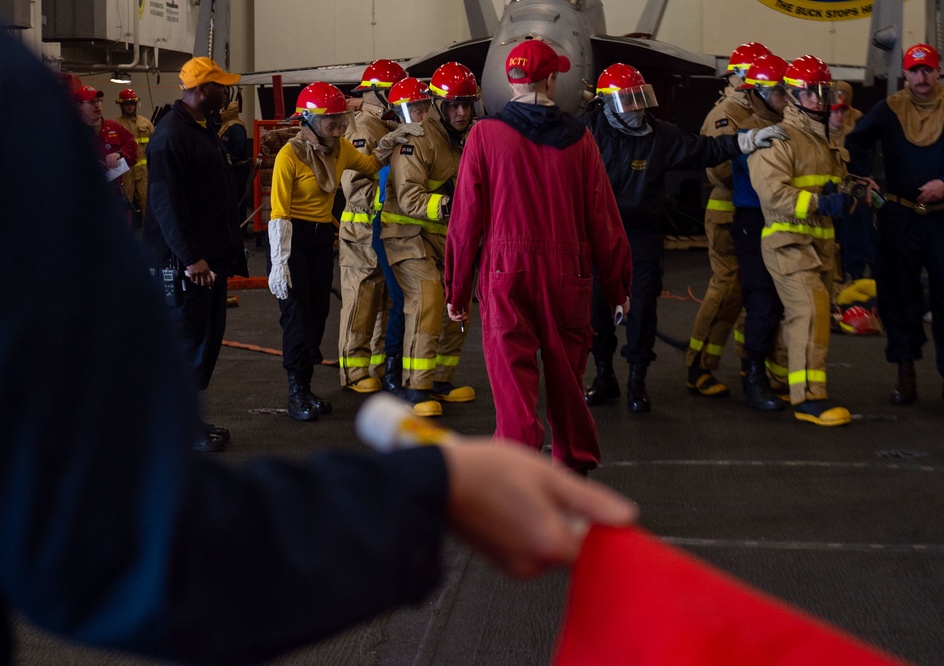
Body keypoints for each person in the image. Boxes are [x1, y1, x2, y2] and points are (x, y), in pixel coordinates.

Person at [0, 32, 637, 663]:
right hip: (449, 255)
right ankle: (544, 455)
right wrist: (430, 488)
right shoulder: (571, 139)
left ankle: (513, 452)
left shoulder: (480, 137)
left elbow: (457, 204)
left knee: (490, 358)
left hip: (483, 264)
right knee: (365, 323)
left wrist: (462, 279)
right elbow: (124, 544)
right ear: (552, 81)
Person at [444, 39, 632, 474]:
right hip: (569, 273)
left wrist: (456, 287)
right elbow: (603, 217)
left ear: (510, 81)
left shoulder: (484, 135)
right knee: (567, 378)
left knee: (512, 380)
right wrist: (617, 286)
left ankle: (516, 471)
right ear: (552, 78)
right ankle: (574, 466)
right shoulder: (581, 138)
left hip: (506, 271)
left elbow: (466, 218)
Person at [580, 62, 786, 413]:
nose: (637, 109)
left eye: (640, 99)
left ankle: (637, 380)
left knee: (643, 305)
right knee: (597, 309)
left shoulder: (659, 135)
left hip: (643, 232)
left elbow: (704, 149)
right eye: (628, 102)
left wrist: (746, 140)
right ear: (607, 104)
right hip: (599, 232)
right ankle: (604, 377)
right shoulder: (586, 132)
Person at [846, 43, 944, 407]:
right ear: (906, 74)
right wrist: (863, 179)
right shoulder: (888, 109)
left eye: (928, 70)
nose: (921, 78)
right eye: (914, 70)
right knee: (898, 299)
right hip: (899, 219)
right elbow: (855, 141)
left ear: (938, 72)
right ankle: (905, 374)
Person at [268, 81, 420, 421]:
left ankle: (306, 388)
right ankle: (295, 394)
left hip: (321, 240)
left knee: (318, 312)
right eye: (331, 123)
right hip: (290, 238)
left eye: (341, 121)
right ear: (307, 120)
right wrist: (279, 262)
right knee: (296, 316)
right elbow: (278, 213)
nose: (338, 130)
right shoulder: (289, 155)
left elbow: (368, 165)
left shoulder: (339, 149)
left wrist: (391, 141)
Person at [142, 57, 249, 452]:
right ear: (202, 90)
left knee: (202, 341)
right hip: (186, 266)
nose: (226, 92)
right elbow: (167, 204)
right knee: (186, 346)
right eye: (220, 86)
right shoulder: (172, 136)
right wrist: (191, 258)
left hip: (205, 261)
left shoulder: (200, 130)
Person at [748, 55, 858, 427]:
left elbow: (822, 183)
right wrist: (821, 201)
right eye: (807, 92)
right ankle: (808, 398)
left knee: (808, 315)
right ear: (791, 95)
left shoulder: (821, 138)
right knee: (809, 313)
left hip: (819, 244)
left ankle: (782, 379)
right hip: (786, 241)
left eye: (821, 92)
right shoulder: (780, 137)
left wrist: (849, 190)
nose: (816, 99)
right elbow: (772, 193)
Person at [381, 63, 480, 412]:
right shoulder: (417, 139)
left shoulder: (469, 138)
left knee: (458, 301)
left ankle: (440, 381)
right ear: (437, 104)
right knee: (428, 301)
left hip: (444, 238)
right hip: (408, 236)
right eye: (453, 104)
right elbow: (409, 199)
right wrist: (456, 205)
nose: (460, 112)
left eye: (466, 104)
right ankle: (416, 387)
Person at [684, 41, 772, 399]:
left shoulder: (760, 110)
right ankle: (699, 366)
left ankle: (747, 361)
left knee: (751, 292)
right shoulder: (727, 114)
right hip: (729, 211)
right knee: (728, 289)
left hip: (756, 211)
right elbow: (719, 169)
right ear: (734, 77)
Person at [339, 59, 408, 396]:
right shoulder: (365, 129)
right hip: (361, 231)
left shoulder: (386, 126)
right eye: (393, 94)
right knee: (360, 301)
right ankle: (353, 370)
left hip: (380, 231)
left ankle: (375, 367)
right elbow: (355, 187)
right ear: (379, 94)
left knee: (381, 301)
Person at [728, 53, 792, 412]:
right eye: (778, 91)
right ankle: (753, 375)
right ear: (758, 95)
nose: (785, 97)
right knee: (761, 300)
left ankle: (772, 374)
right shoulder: (748, 132)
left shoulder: (794, 126)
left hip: (783, 220)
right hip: (754, 220)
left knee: (783, 303)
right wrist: (754, 139)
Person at [827, 81, 875, 282]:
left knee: (856, 237)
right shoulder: (818, 137)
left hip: (850, 197)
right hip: (825, 197)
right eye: (835, 111)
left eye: (843, 111)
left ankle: (855, 277)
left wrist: (866, 186)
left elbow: (865, 167)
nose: (839, 115)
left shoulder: (853, 137)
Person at [74, 83, 138, 219]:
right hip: (84, 198)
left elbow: (133, 149)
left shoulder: (114, 127)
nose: (97, 105)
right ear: (79, 105)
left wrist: (119, 153)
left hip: (113, 197)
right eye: (91, 102)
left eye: (98, 101)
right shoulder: (71, 132)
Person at [113, 87, 154, 227]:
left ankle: (149, 235)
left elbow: (155, 146)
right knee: (125, 202)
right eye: (127, 104)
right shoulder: (116, 125)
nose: (130, 107)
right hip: (125, 171)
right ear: (121, 105)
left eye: (132, 103)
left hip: (144, 171)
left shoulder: (146, 124)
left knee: (147, 201)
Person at [218, 98, 251, 231]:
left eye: (224, 110)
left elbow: (240, 146)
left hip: (237, 169)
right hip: (229, 168)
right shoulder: (225, 127)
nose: (221, 112)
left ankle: (240, 227)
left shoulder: (236, 127)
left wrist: (230, 158)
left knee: (238, 198)